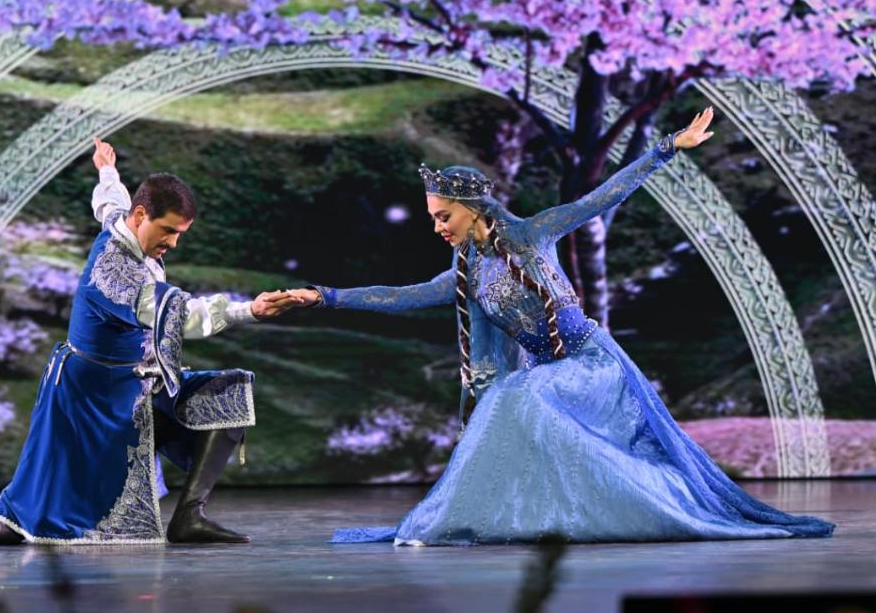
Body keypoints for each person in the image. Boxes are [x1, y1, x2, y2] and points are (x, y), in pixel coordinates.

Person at [289, 108, 835, 545]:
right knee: (510, 400)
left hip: (592, 365)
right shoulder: (467, 272)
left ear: (473, 210)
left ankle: (657, 507)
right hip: (548, 373)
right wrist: (324, 296)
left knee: (520, 396)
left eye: (443, 216)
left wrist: (666, 149)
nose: (437, 227)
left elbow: (601, 198)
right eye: (433, 217)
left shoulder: (533, 234)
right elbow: (402, 295)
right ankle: (495, 518)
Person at [0, 139, 301, 546]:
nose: (173, 242)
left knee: (229, 395)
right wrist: (249, 310)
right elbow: (181, 315)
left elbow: (110, 205)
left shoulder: (125, 225)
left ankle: (189, 516)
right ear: (142, 216)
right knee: (17, 528)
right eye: (169, 231)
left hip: (135, 387)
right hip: (86, 402)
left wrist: (107, 169)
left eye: (180, 233)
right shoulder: (113, 273)